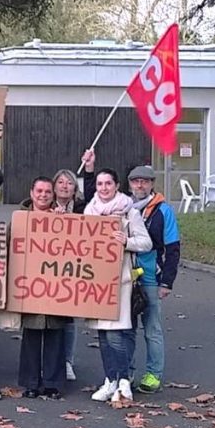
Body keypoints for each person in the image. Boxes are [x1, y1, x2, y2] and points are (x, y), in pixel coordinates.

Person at [84, 168, 152, 404]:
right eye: (100, 184)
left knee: (115, 334)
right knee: (102, 334)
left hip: (120, 281)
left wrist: (127, 242)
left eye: (108, 184)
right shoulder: (89, 211)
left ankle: (123, 380)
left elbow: (146, 243)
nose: (103, 188)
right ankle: (110, 380)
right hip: (95, 281)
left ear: (116, 186)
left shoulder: (129, 212)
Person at [126, 165, 180, 394]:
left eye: (144, 182)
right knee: (125, 328)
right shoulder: (123, 207)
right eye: (136, 181)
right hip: (125, 276)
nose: (140, 185)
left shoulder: (163, 211)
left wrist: (167, 282)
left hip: (150, 276)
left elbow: (173, 248)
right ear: (129, 184)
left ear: (151, 184)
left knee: (152, 328)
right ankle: (125, 373)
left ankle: (153, 374)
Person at [16, 177, 69, 399]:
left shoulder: (65, 219)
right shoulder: (20, 219)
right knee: (31, 337)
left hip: (57, 288)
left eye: (48, 191)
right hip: (30, 288)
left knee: (56, 336)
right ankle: (30, 383)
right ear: (31, 193)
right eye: (39, 190)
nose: (43, 195)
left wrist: (64, 223)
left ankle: (52, 383)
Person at [52, 149, 96, 382]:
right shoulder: (45, 206)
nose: (65, 186)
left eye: (70, 183)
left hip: (73, 269)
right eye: (61, 182)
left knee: (68, 319)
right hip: (48, 270)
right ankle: (51, 361)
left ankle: (67, 361)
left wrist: (89, 169)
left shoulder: (81, 208)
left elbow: (92, 195)